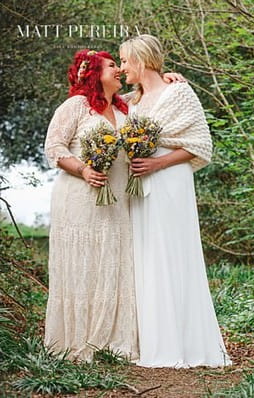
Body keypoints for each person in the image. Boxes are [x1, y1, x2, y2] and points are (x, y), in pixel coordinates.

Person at [44, 49, 183, 361]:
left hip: (118, 201)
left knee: (113, 264)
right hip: (80, 200)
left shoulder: (126, 108)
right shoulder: (76, 106)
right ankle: (77, 340)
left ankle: (110, 341)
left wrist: (168, 78)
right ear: (94, 73)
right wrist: (83, 169)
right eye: (112, 66)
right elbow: (53, 146)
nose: (119, 70)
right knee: (83, 265)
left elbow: (151, 93)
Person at [119, 34, 231, 368]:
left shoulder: (178, 91)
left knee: (173, 252)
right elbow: (101, 102)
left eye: (125, 60)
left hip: (171, 180)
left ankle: (188, 343)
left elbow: (199, 144)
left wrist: (157, 163)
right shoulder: (130, 102)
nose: (122, 67)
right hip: (141, 184)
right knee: (147, 253)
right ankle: (154, 340)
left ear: (141, 60)